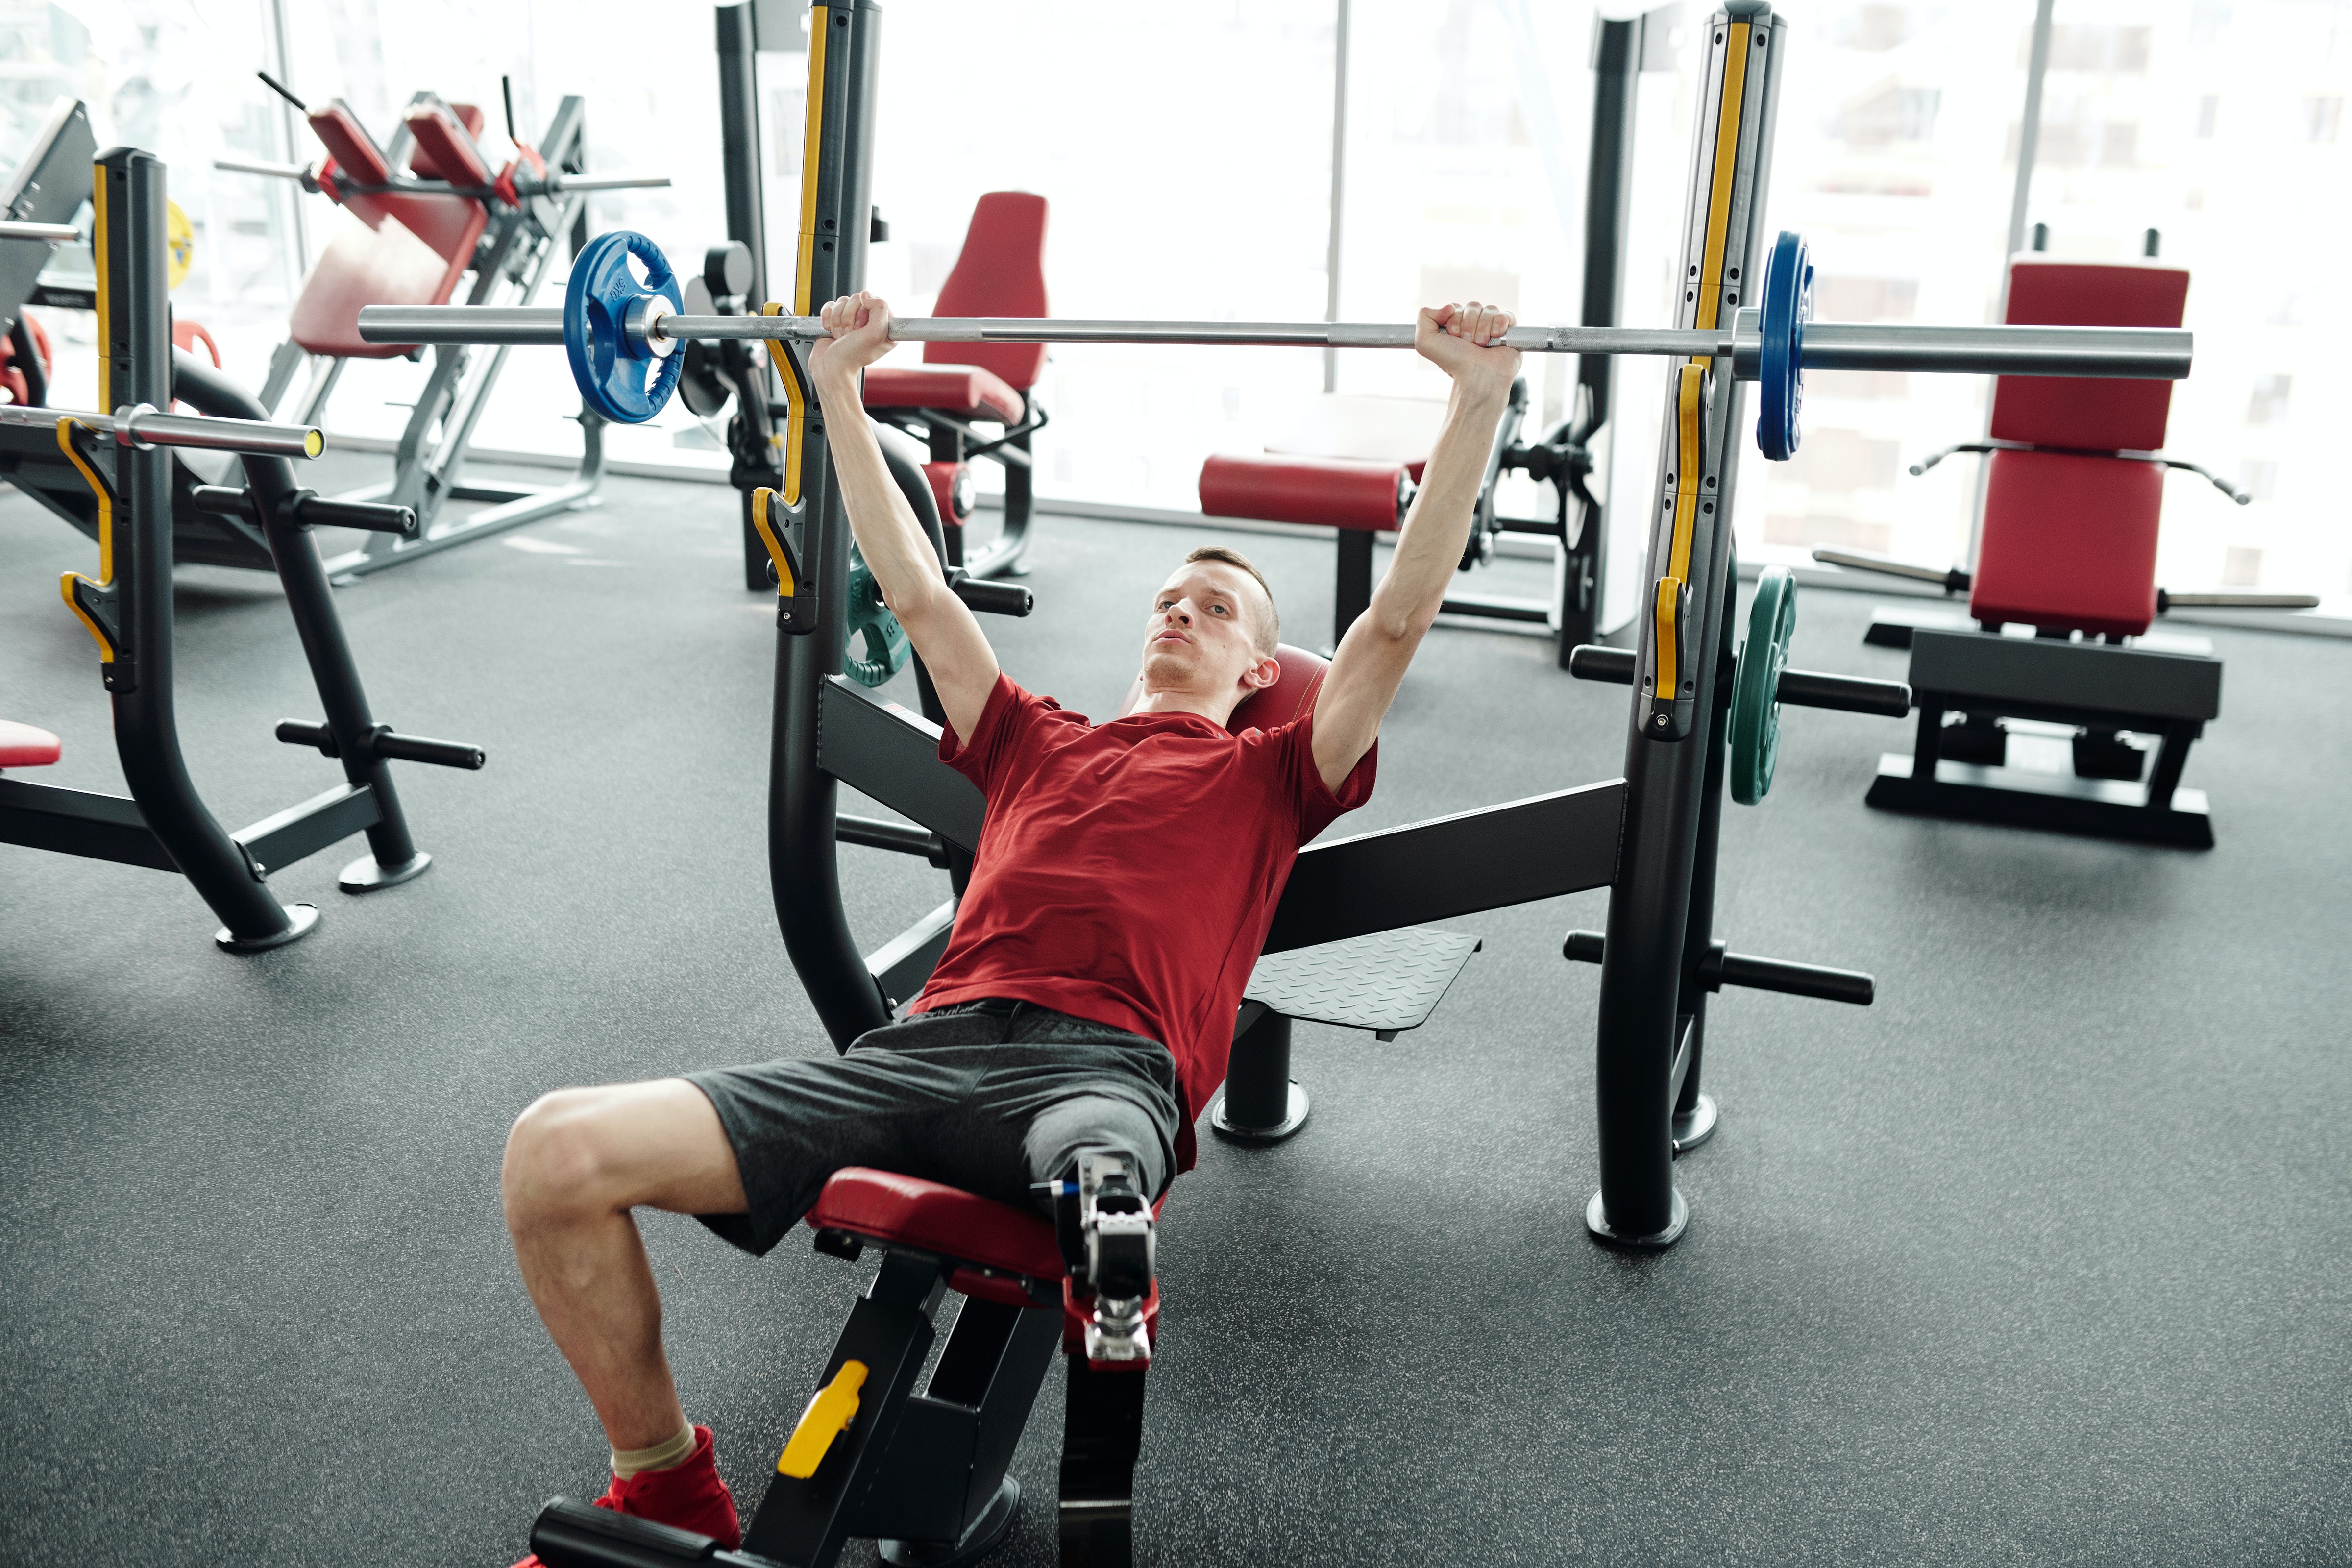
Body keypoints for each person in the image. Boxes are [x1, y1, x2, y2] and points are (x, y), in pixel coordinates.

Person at [497, 289, 1522, 1556]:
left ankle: (1105, 1329)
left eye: (1214, 609)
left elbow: (1395, 620)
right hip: (921, 1054)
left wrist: (1476, 402)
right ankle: (660, 1481)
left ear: (1261, 674)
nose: (1179, 613)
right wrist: (834, 397)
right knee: (554, 1155)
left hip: (1104, 1075)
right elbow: (917, 592)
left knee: (1102, 1192)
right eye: (1169, 597)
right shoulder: (1034, 740)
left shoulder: (1272, 776)